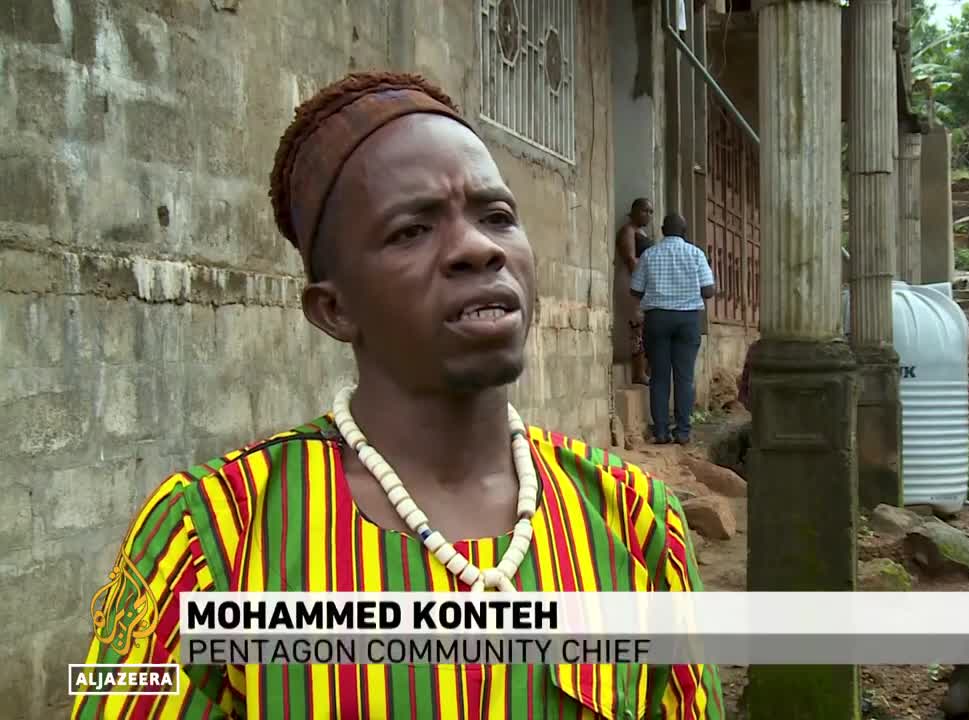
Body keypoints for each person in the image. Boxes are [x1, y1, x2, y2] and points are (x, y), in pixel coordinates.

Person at [73, 71, 723, 719]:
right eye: (411, 230)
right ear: (334, 310)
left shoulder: (636, 525)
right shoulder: (210, 538)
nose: (477, 248)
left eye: (497, 216)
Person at [631, 213, 715, 445]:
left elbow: (635, 290)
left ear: (662, 230)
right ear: (684, 231)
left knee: (659, 376)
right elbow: (708, 290)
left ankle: (660, 431)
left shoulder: (649, 255)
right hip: (688, 320)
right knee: (684, 377)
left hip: (657, 319)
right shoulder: (696, 254)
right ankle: (683, 432)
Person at [616, 197, 655, 384]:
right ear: (634, 211)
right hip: (632, 282)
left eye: (650, 212)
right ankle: (638, 372)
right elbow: (631, 260)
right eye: (644, 211)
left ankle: (645, 370)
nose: (648, 215)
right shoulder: (628, 231)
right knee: (636, 326)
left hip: (644, 284)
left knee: (646, 327)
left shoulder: (644, 233)